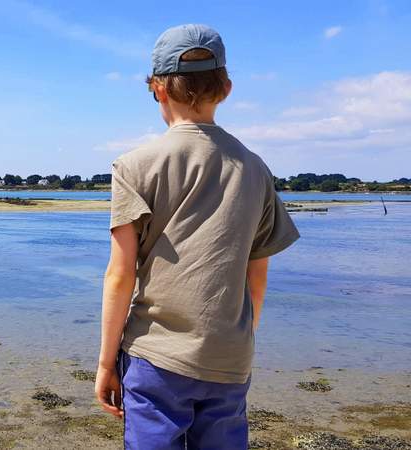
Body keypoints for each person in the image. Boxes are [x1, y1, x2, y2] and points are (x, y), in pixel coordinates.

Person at [95, 24, 300, 449]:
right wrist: (237, 339)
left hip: (157, 355)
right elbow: (256, 276)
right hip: (230, 358)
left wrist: (104, 363)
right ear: (225, 88)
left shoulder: (134, 166)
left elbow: (120, 275)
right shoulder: (256, 169)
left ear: (157, 88)